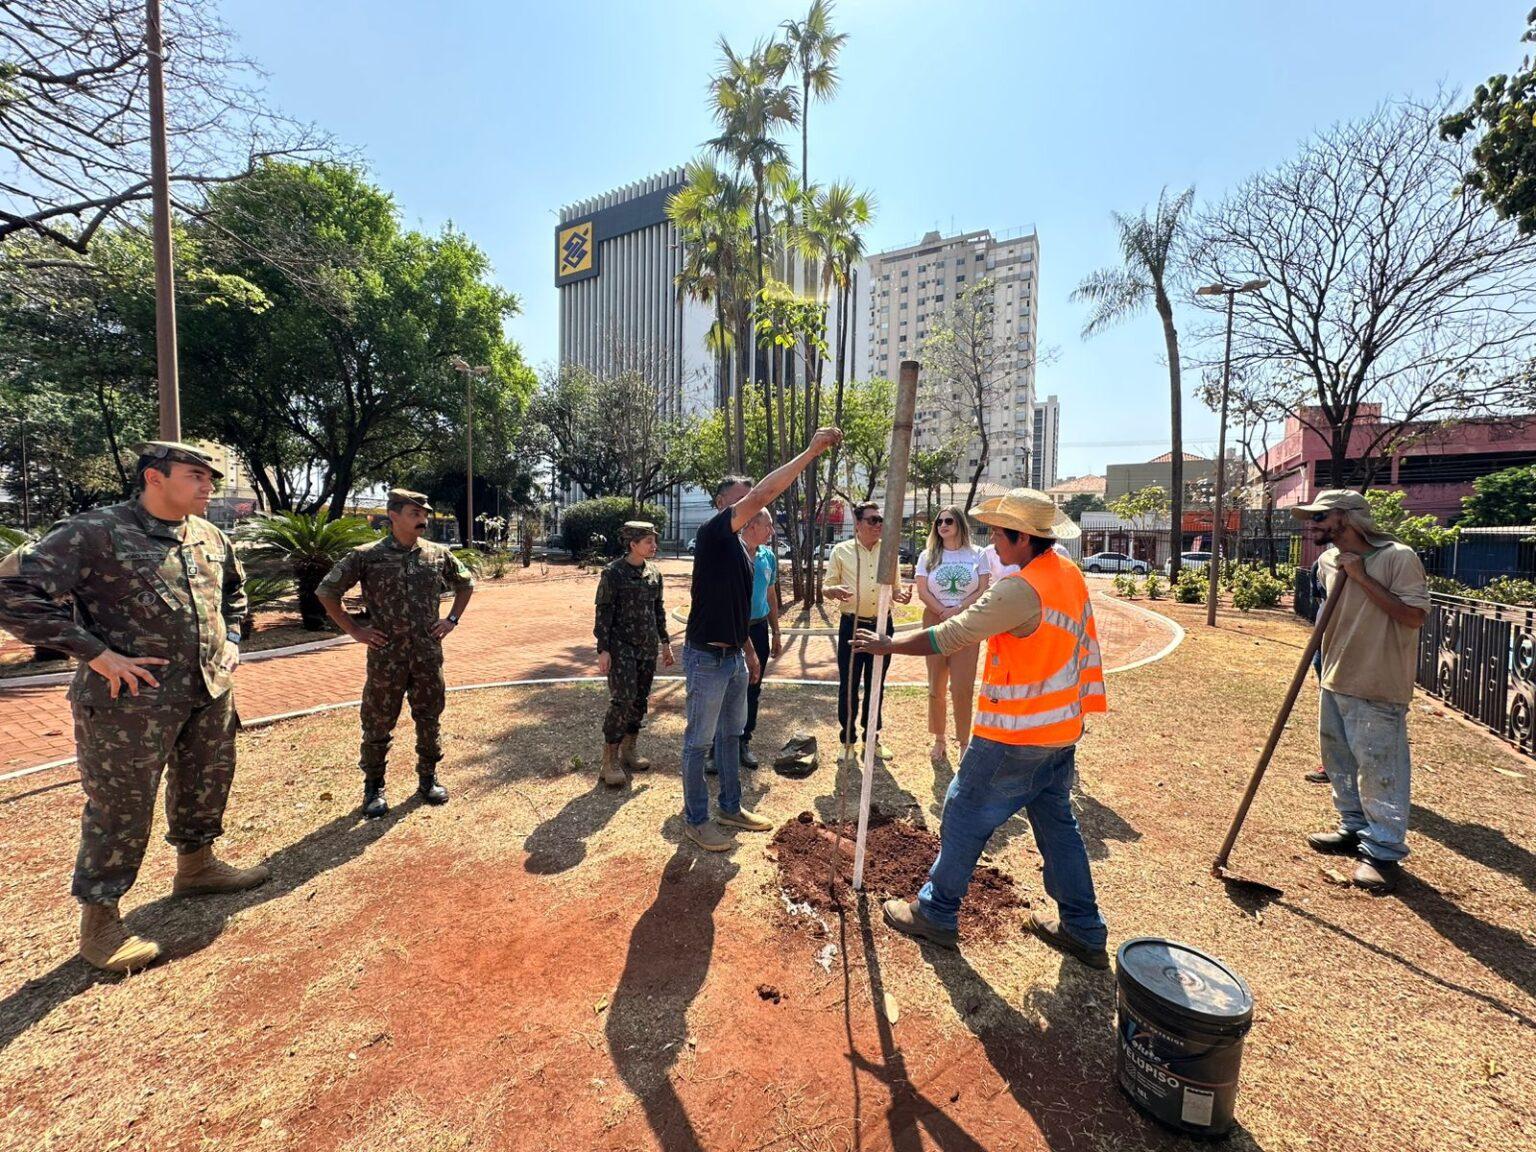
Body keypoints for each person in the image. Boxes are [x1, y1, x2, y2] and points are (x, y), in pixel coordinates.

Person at [0, 441, 268, 973]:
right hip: (129, 706)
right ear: (154, 478)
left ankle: (197, 867)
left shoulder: (210, 536)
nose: (207, 486)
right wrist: (96, 654)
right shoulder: (94, 532)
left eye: (209, 478)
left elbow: (234, 593)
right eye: (195, 475)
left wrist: (232, 637)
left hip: (207, 692)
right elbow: (12, 592)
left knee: (205, 782)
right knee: (119, 809)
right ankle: (100, 923)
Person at [853, 488, 1110, 968]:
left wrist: (889, 645)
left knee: (963, 811)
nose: (992, 537)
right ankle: (1084, 927)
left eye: (999, 531)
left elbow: (953, 633)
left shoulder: (1021, 589)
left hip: (1015, 734)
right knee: (1058, 827)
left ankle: (936, 910)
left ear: (1023, 537)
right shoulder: (1067, 575)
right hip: (1059, 731)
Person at [681, 428, 843, 852]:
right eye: (743, 497)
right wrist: (810, 451)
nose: (753, 502)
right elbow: (768, 490)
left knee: (731, 735)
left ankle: (730, 807)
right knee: (698, 743)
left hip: (732, 656)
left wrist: (750, 652)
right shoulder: (715, 534)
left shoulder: (744, 551)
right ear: (723, 504)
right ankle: (695, 819)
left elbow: (738, 607)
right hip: (706, 659)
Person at [1294, 490, 1429, 893]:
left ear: (1349, 518)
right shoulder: (1327, 561)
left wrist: (1362, 577)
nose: (1312, 524)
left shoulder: (1396, 557)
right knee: (1338, 758)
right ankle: (1352, 827)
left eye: (1321, 517)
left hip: (1377, 680)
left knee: (1379, 767)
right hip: (1335, 673)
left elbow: (1413, 615)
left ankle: (1384, 851)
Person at [316, 489, 474, 819]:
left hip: (427, 656)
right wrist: (356, 631)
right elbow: (327, 591)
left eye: (424, 513)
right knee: (377, 723)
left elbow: (465, 583)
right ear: (394, 515)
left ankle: (428, 779)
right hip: (386, 657)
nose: (423, 519)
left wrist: (452, 620)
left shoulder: (436, 554)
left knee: (429, 718)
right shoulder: (366, 556)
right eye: (415, 513)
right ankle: (374, 786)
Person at [824, 502, 913, 764]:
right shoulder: (841, 552)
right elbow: (827, 587)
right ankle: (848, 741)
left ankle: (871, 739)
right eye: (873, 520)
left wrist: (902, 595)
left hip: (882, 627)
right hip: (851, 626)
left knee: (876, 686)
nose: (878, 525)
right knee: (849, 685)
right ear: (858, 523)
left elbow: (895, 589)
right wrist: (833, 591)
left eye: (881, 520)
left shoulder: (889, 552)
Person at [593, 521, 674, 787]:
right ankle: (610, 760)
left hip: (647, 647)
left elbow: (658, 611)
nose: (654, 546)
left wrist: (665, 643)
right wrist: (603, 649)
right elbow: (604, 613)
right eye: (649, 541)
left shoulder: (654, 574)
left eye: (653, 541)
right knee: (622, 699)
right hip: (621, 647)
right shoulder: (613, 573)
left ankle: (629, 750)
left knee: (640, 700)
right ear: (633, 544)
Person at [914, 505, 989, 767]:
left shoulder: (978, 554)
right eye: (939, 522)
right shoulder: (928, 555)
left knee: (962, 686)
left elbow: (982, 589)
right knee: (936, 684)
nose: (942, 525)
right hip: (935, 620)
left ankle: (964, 741)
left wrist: (957, 609)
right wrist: (942, 611)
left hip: (966, 622)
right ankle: (939, 738)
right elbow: (922, 591)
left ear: (959, 524)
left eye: (948, 521)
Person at [739, 509, 782, 769]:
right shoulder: (733, 553)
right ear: (752, 524)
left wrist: (775, 631)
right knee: (727, 688)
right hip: (732, 630)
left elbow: (770, 595)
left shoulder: (768, 557)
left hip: (758, 629)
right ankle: (714, 748)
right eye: (767, 525)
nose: (772, 531)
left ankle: (744, 741)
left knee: (753, 688)